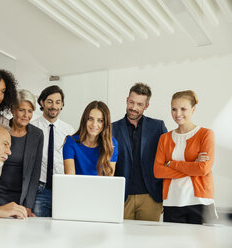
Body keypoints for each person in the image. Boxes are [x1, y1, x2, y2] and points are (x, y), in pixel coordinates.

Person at [154, 90, 215, 224]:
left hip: (200, 202)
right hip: (173, 201)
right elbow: (158, 171)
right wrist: (192, 165)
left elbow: (203, 169)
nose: (178, 114)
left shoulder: (205, 134)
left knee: (203, 244)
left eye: (183, 109)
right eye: (174, 109)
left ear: (193, 109)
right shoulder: (164, 138)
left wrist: (171, 163)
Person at [113, 83, 167, 221]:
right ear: (127, 100)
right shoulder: (111, 128)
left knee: (148, 241)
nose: (133, 108)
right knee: (120, 240)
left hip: (150, 196)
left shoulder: (158, 127)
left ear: (146, 106)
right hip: (121, 196)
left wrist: (165, 196)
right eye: (131, 102)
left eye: (139, 104)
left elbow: (167, 160)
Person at [0, 90, 44, 217]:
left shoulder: (37, 135)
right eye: (22, 110)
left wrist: (28, 205)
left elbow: (35, 173)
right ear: (13, 109)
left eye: (30, 111)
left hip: (20, 199)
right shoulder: (0, 128)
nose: (26, 115)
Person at [31, 85, 74, 217]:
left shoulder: (69, 131)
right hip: (40, 190)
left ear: (62, 105)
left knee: (61, 231)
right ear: (42, 103)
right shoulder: (32, 128)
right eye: (49, 101)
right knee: (39, 232)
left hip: (63, 190)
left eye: (58, 102)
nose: (54, 106)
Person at [63, 101, 118, 176]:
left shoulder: (111, 144)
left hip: (100, 187)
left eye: (100, 120)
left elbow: (108, 179)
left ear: (105, 123)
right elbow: (70, 178)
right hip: (76, 187)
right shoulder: (71, 142)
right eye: (90, 119)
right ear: (84, 120)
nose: (94, 124)